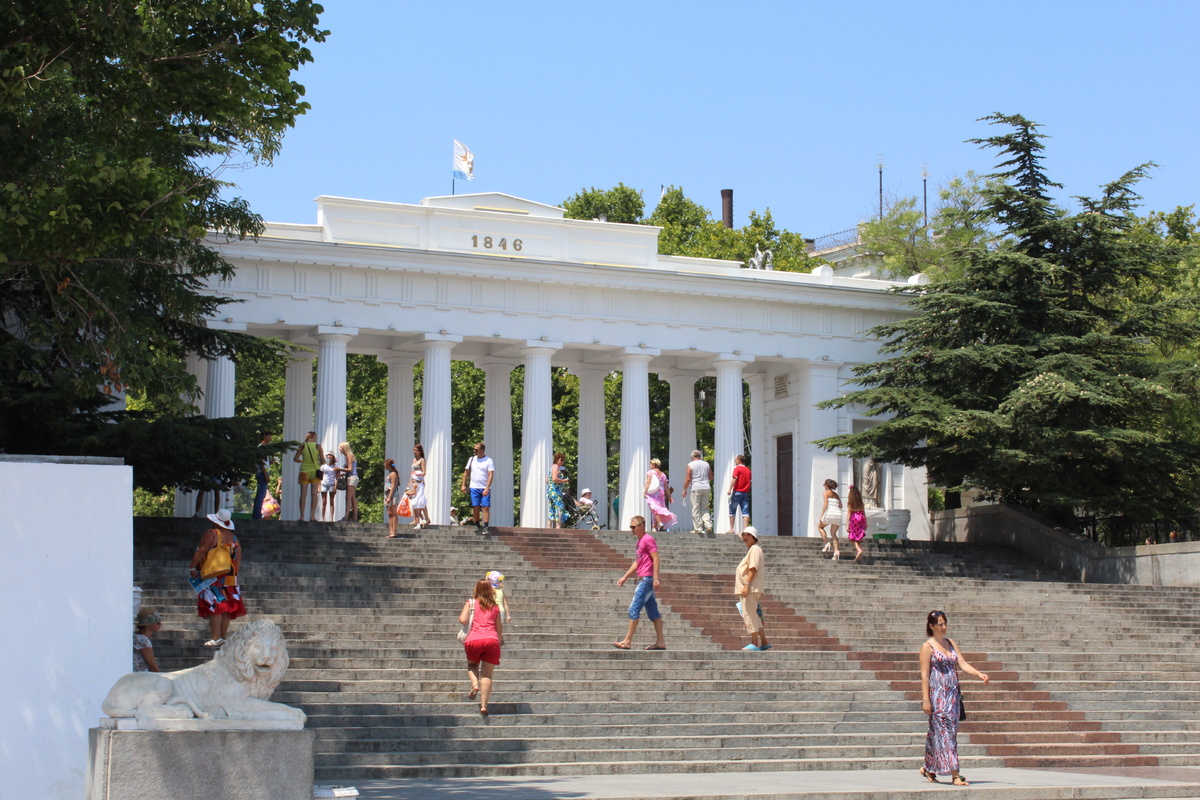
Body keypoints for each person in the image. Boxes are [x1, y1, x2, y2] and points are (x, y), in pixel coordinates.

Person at [920, 610, 989, 786]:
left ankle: (928, 768)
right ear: (931, 626)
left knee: (940, 733)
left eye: (945, 623)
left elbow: (963, 664)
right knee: (946, 734)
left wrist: (978, 674)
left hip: (953, 696)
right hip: (937, 696)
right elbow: (924, 674)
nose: (944, 627)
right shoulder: (927, 646)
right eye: (940, 624)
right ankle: (955, 774)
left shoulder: (950, 643)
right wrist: (926, 700)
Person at [187, 508, 245, 647]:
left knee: (215, 604)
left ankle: (215, 637)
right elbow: (238, 558)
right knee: (226, 606)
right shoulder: (234, 538)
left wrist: (192, 566)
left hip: (214, 573)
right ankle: (223, 637)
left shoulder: (212, 534)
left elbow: (202, 550)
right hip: (230, 575)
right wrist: (234, 574)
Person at [612, 516, 666, 651]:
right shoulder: (640, 541)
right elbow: (638, 562)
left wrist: (656, 578)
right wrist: (625, 576)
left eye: (633, 527)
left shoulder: (648, 539)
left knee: (634, 608)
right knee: (653, 612)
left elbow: (656, 558)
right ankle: (660, 642)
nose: (632, 530)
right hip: (644, 578)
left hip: (647, 579)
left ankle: (627, 641)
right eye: (630, 527)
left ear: (642, 526)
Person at [460, 578, 504, 716]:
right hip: (491, 641)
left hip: (474, 640)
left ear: (476, 589)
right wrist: (499, 641)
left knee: (472, 665)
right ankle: (484, 706)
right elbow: (499, 629)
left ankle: (474, 685)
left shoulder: (471, 603)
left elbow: (463, 620)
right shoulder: (495, 607)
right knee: (487, 674)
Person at [735, 526, 771, 651]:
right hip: (750, 588)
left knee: (749, 614)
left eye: (748, 535)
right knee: (754, 615)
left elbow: (753, 568)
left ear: (753, 537)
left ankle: (754, 642)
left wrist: (746, 585)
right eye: (744, 535)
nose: (745, 537)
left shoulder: (755, 549)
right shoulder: (753, 550)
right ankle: (764, 641)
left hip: (750, 588)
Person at [461, 442, 495, 535]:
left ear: (482, 450)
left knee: (486, 506)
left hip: (484, 487)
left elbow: (490, 475)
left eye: (476, 449)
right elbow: (466, 472)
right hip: (474, 487)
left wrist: (487, 488)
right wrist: (463, 485)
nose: (474, 451)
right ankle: (477, 523)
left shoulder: (488, 460)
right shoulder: (472, 459)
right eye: (474, 449)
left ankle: (486, 526)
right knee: (475, 506)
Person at [293, 431, 324, 522]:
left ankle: (302, 516)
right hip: (315, 471)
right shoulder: (318, 446)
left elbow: (295, 459)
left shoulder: (302, 446)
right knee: (314, 493)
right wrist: (317, 463)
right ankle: (312, 516)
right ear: (313, 436)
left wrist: (302, 461)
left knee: (303, 494)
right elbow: (323, 461)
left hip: (304, 471)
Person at [683, 450, 711, 534]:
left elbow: (688, 479)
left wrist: (684, 489)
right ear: (700, 456)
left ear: (692, 457)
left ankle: (698, 528)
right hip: (706, 486)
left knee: (696, 508)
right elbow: (710, 476)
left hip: (696, 487)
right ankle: (708, 525)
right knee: (705, 507)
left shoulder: (690, 465)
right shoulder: (706, 464)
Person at [644, 458, 677, 531]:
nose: (650, 466)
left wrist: (645, 491)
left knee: (654, 509)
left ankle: (659, 523)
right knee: (657, 510)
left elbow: (648, 482)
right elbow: (666, 487)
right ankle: (654, 527)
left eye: (651, 464)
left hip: (652, 494)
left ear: (654, 465)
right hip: (660, 494)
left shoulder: (650, 472)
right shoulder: (663, 474)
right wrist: (669, 496)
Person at [818, 479, 842, 560]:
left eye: (824, 484)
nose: (824, 486)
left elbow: (825, 504)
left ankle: (827, 543)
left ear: (827, 485)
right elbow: (841, 505)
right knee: (834, 534)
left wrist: (821, 515)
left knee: (820, 527)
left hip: (829, 513)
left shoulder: (826, 493)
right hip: (837, 515)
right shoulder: (836, 495)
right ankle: (836, 551)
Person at [133, 607, 162, 672]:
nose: (160, 624)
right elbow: (152, 666)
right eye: (157, 623)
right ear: (147, 624)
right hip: (141, 678)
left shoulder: (136, 637)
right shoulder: (142, 640)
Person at [727, 454, 752, 532]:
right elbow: (750, 482)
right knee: (745, 511)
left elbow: (734, 479)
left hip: (737, 491)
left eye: (736, 459)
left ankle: (731, 528)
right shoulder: (748, 470)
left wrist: (729, 489)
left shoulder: (737, 469)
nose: (735, 461)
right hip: (745, 492)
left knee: (732, 509)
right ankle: (745, 529)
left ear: (739, 460)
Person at [252, 432, 273, 520]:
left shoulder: (264, 448)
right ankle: (257, 515)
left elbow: (264, 463)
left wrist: (270, 462)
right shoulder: (261, 448)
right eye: (269, 436)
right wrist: (265, 474)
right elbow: (261, 462)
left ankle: (257, 514)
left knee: (261, 494)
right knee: (261, 494)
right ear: (264, 436)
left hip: (263, 472)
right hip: (262, 473)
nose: (270, 439)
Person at [337, 442, 359, 522]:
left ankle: (346, 517)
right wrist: (344, 472)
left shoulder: (348, 456)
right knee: (353, 498)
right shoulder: (351, 455)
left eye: (340, 447)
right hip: (353, 476)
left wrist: (339, 469)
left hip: (352, 477)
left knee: (348, 497)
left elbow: (349, 469)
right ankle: (355, 517)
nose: (339, 449)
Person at [546, 452, 569, 529]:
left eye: (563, 460)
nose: (562, 461)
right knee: (558, 507)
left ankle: (549, 526)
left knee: (552, 508)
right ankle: (557, 526)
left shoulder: (552, 467)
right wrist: (564, 481)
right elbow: (554, 479)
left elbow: (547, 480)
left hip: (551, 491)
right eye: (561, 459)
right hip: (556, 491)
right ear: (556, 459)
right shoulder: (556, 467)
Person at [409, 443, 429, 529]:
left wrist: (418, 474)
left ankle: (426, 518)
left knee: (420, 501)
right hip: (413, 482)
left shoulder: (422, 460)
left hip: (419, 482)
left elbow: (424, 472)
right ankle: (416, 519)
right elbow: (412, 472)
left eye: (416, 450)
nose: (415, 452)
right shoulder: (414, 460)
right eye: (414, 450)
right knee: (414, 501)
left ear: (420, 451)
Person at [846, 485, 867, 562]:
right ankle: (859, 553)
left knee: (852, 537)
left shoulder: (850, 502)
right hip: (861, 518)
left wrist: (847, 524)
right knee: (858, 537)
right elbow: (864, 513)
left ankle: (859, 550)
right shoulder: (861, 502)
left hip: (854, 518)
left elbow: (849, 513)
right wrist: (866, 523)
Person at [384, 459, 402, 538]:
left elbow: (393, 485)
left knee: (394, 513)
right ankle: (391, 531)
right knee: (389, 513)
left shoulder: (393, 474)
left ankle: (394, 531)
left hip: (392, 495)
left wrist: (390, 497)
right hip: (387, 494)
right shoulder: (390, 473)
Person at [319, 452, 339, 522]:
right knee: (324, 501)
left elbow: (337, 477)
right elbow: (320, 476)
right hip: (324, 483)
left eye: (330, 455)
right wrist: (319, 486)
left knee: (331, 501)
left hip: (332, 484)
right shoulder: (323, 466)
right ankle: (322, 518)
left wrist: (335, 487)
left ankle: (331, 518)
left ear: (333, 457)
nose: (329, 457)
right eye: (328, 455)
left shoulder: (335, 466)